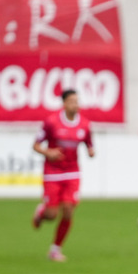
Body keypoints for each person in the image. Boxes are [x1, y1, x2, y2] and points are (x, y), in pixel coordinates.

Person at [32, 89, 95, 263]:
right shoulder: (51, 122)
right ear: (64, 103)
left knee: (68, 211)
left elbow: (89, 143)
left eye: (77, 101)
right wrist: (48, 152)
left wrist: (91, 151)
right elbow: (35, 145)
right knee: (52, 215)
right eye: (72, 101)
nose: (76, 105)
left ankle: (55, 249)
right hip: (53, 172)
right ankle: (42, 212)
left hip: (72, 172)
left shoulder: (84, 124)